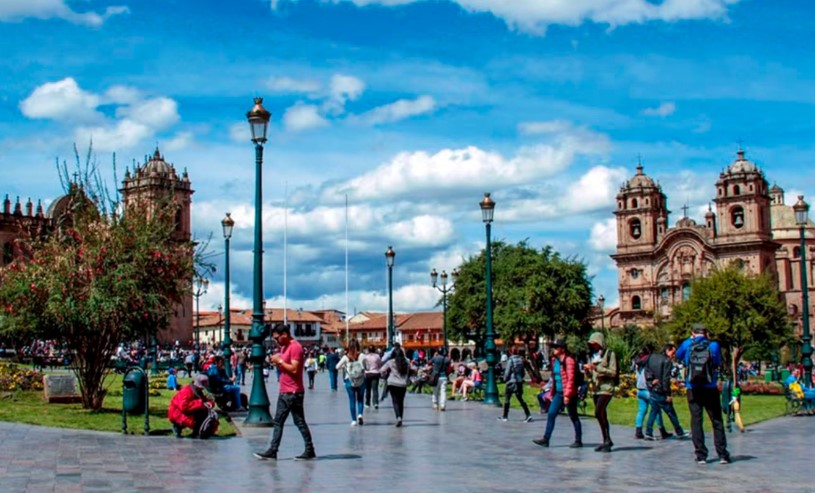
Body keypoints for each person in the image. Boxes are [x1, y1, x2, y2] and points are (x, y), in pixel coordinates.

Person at [254, 324, 316, 461]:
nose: (276, 341)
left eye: (277, 338)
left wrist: (279, 361)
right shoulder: (284, 347)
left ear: (285, 335)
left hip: (292, 392)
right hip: (287, 391)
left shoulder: (295, 347)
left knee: (279, 422)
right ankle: (309, 449)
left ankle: (273, 450)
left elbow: (294, 369)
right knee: (299, 422)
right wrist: (278, 360)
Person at [675, 323, 730, 465]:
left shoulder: (687, 344)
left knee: (696, 420)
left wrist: (690, 340)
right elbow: (717, 362)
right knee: (716, 420)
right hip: (710, 386)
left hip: (693, 387)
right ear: (706, 333)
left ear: (693, 332)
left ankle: (701, 455)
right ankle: (722, 454)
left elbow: (678, 356)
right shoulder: (714, 345)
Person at [533, 339, 582, 447]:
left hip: (569, 393)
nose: (554, 349)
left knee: (573, 416)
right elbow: (555, 378)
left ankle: (578, 440)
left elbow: (570, 379)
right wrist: (552, 392)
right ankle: (546, 439)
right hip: (558, 393)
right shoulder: (555, 361)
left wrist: (567, 395)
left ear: (562, 349)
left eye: (556, 347)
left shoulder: (569, 361)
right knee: (551, 413)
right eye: (553, 347)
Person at [643, 343, 690, 440]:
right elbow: (665, 379)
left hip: (653, 389)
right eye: (673, 353)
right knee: (670, 412)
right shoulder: (667, 361)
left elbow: (647, 372)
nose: (673, 355)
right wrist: (667, 394)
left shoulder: (651, 357)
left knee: (654, 411)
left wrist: (651, 383)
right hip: (661, 391)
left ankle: (648, 432)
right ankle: (679, 431)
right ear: (667, 350)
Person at [584, 331, 616, 452]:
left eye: (595, 343)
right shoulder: (592, 355)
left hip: (606, 388)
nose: (593, 346)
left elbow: (613, 371)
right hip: (596, 388)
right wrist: (588, 371)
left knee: (598, 411)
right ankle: (606, 440)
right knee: (601, 415)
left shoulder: (609, 354)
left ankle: (607, 439)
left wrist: (597, 368)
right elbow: (591, 373)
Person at [632, 347, 667, 439]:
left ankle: (638, 431)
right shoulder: (648, 362)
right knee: (656, 410)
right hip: (648, 389)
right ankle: (661, 430)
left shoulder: (637, 363)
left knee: (641, 411)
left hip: (640, 389)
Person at [498, 346, 533, 422]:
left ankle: (505, 416)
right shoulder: (520, 360)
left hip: (511, 382)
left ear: (510, 352)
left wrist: (505, 378)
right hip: (519, 381)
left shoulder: (511, 360)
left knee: (507, 398)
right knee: (520, 398)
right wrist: (520, 377)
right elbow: (523, 372)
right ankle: (528, 414)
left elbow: (507, 372)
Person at [337, 339, 366, 425]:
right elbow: (366, 367)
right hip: (361, 380)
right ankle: (360, 414)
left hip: (349, 380)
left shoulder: (346, 357)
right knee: (360, 399)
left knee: (352, 400)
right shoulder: (362, 356)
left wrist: (345, 367)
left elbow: (337, 366)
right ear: (358, 346)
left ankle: (353, 420)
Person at [380, 343, 410, 427]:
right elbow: (410, 371)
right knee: (401, 401)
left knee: (395, 401)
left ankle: (398, 417)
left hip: (392, 383)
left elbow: (382, 370)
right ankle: (401, 417)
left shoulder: (390, 362)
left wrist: (385, 374)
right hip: (403, 384)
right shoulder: (406, 362)